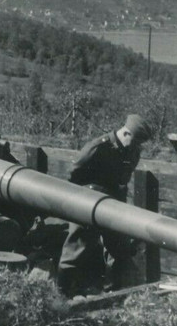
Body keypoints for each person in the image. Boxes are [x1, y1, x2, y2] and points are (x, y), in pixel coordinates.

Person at [56, 114, 154, 297]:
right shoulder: (98, 147)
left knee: (121, 250)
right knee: (76, 251)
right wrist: (81, 204)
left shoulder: (133, 151)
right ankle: (60, 295)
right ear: (125, 133)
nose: (136, 147)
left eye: (138, 144)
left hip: (113, 207)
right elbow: (74, 176)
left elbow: (122, 181)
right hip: (87, 204)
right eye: (134, 142)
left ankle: (116, 293)